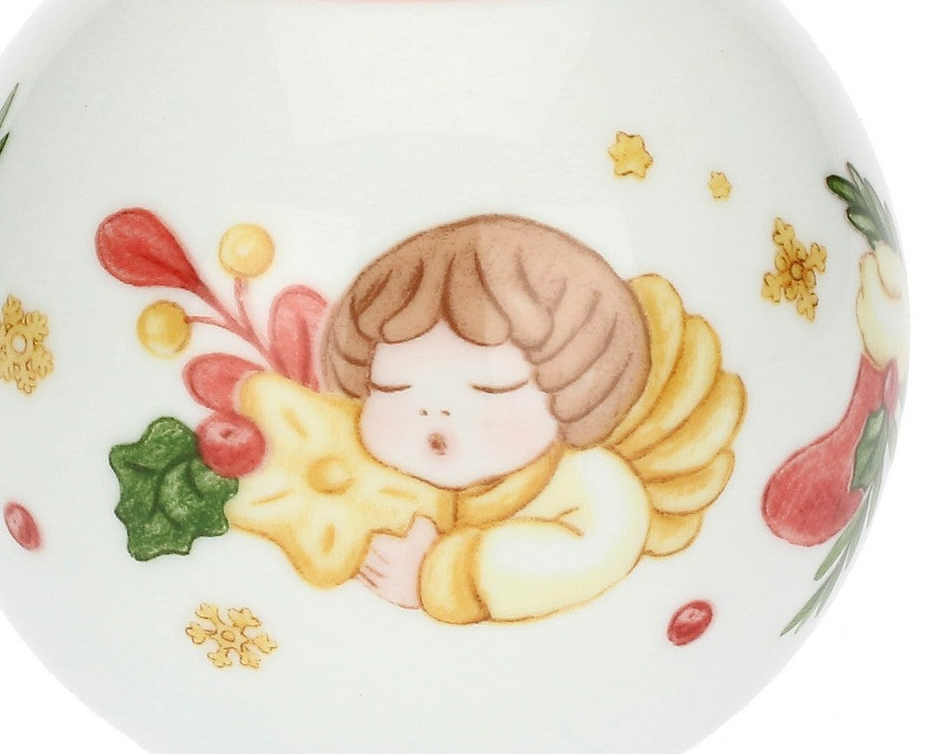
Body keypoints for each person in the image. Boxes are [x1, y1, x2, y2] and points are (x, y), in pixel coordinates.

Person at [230, 215, 745, 624]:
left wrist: (441, 577)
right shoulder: (387, 483)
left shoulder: (594, 483)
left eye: (489, 389)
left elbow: (589, 556)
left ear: (571, 392)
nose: (433, 413)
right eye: (393, 388)